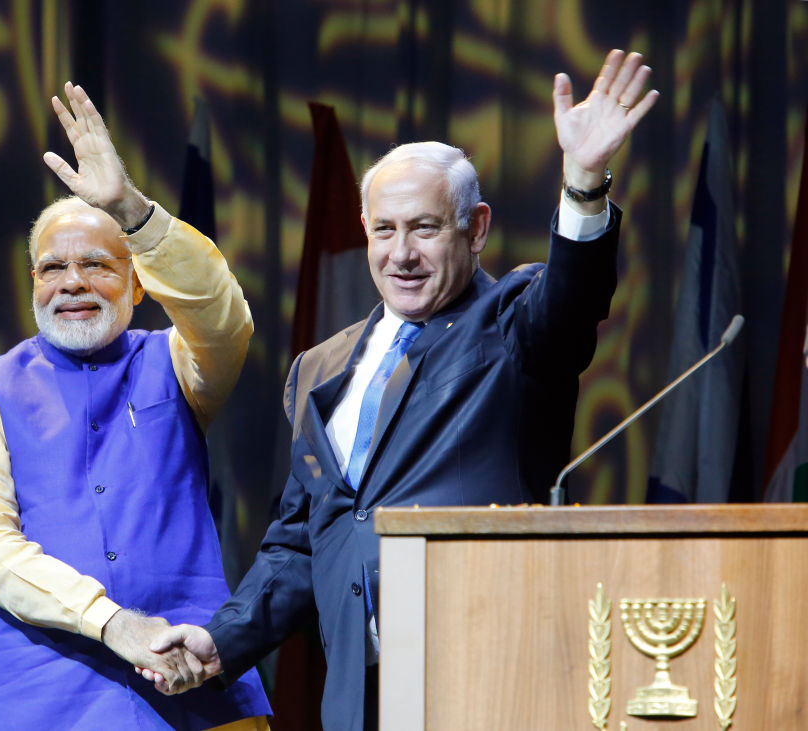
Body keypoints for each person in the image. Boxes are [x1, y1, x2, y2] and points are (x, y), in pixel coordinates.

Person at [142, 49, 660, 729]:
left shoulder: (512, 322)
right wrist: (223, 637)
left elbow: (572, 301)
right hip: (360, 690)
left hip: (487, 667)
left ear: (475, 228)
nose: (401, 253)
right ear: (364, 233)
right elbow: (300, 541)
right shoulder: (316, 369)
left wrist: (584, 182)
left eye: (424, 227)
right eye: (385, 229)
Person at [0, 82, 271, 729]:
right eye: (52, 267)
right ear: (32, 281)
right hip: (43, 696)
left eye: (96, 264)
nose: (72, 282)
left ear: (137, 282)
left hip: (193, 685)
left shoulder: (174, 360)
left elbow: (226, 321)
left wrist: (132, 210)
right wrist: (110, 621)